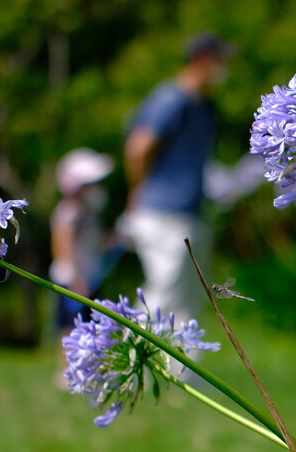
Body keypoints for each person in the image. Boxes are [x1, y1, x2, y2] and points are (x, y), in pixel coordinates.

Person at [121, 32, 232, 332]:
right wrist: (137, 192)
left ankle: (181, 372)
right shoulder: (172, 99)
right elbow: (138, 148)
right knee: (163, 296)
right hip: (163, 214)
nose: (224, 68)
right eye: (220, 60)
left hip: (191, 213)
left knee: (189, 302)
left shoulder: (205, 107)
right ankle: (129, 360)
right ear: (201, 61)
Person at [50, 147, 116, 334]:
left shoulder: (89, 214)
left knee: (92, 330)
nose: (98, 188)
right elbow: (63, 247)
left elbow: (95, 244)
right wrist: (76, 280)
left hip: (89, 279)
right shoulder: (69, 213)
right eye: (92, 184)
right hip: (73, 283)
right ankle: (64, 365)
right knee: (72, 330)